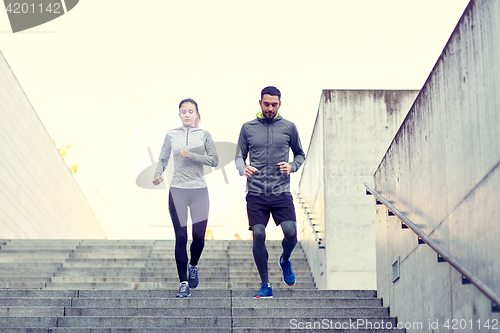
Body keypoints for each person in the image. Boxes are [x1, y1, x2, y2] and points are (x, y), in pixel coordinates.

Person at [235, 86, 305, 298]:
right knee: (258, 234)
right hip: (256, 192)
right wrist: (243, 168)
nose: (270, 108)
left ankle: (284, 260)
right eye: (267, 104)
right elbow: (239, 156)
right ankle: (265, 284)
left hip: (281, 190)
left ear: (280, 104)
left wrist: (291, 166)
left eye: (274, 105)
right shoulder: (248, 128)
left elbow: (300, 154)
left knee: (291, 233)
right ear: (260, 103)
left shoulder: (289, 127)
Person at [153, 98, 218, 298]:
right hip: (177, 190)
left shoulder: (205, 135)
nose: (187, 115)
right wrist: (158, 173)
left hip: (199, 191)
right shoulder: (171, 137)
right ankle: (183, 283)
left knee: (198, 237)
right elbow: (163, 158)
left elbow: (214, 160)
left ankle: (193, 265)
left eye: (191, 111)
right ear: (179, 115)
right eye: (184, 112)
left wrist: (192, 155)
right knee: (181, 237)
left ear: (197, 115)